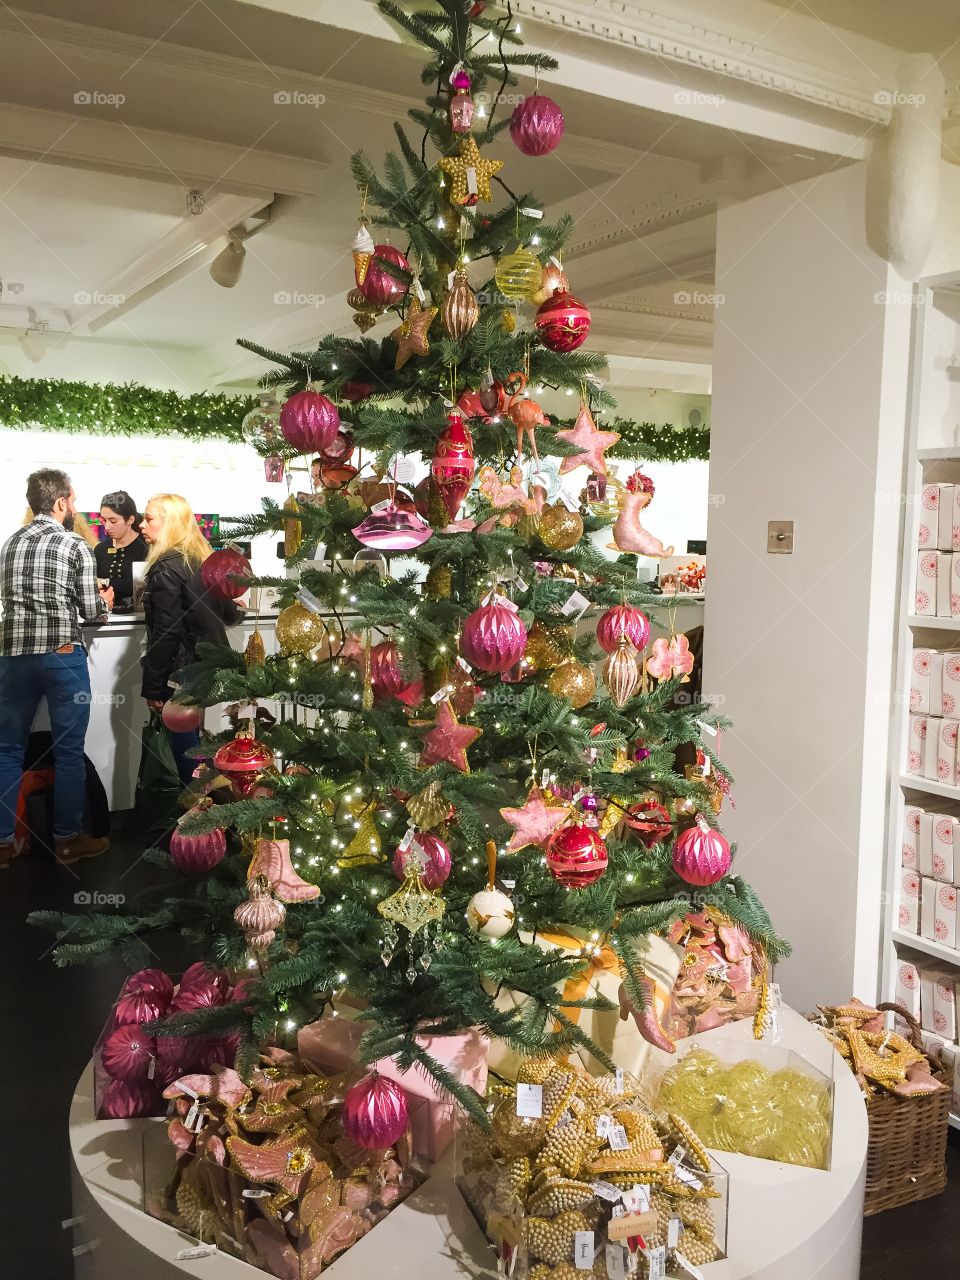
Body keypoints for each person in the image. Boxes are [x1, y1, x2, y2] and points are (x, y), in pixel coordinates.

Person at [0, 469, 112, 867]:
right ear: (62, 502)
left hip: (12, 655)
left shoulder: (10, 543)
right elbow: (91, 611)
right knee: (67, 751)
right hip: (61, 655)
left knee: (7, 748)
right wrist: (106, 599)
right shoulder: (73, 545)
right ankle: (67, 839)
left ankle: (2, 844)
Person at [140, 494, 243, 783]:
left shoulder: (166, 568)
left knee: (187, 751)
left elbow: (167, 632)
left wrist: (154, 686)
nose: (142, 525)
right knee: (205, 745)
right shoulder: (204, 562)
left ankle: (198, 815)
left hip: (181, 672)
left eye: (149, 519)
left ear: (169, 523)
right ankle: (213, 814)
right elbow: (228, 613)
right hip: (210, 666)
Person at [95, 491, 147, 611]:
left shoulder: (146, 549)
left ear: (130, 520)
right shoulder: (100, 549)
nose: (107, 527)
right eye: (104, 520)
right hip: (105, 617)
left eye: (113, 521)